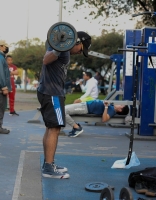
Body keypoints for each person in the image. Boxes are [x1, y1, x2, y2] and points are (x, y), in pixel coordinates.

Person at [37, 30, 92, 179]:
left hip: (51, 91)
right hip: (51, 92)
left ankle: (48, 164)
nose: (80, 53)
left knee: (51, 128)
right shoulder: (60, 48)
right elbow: (46, 60)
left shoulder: (64, 50)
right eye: (81, 49)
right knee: (54, 128)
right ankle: (48, 168)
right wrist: (58, 48)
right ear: (77, 42)